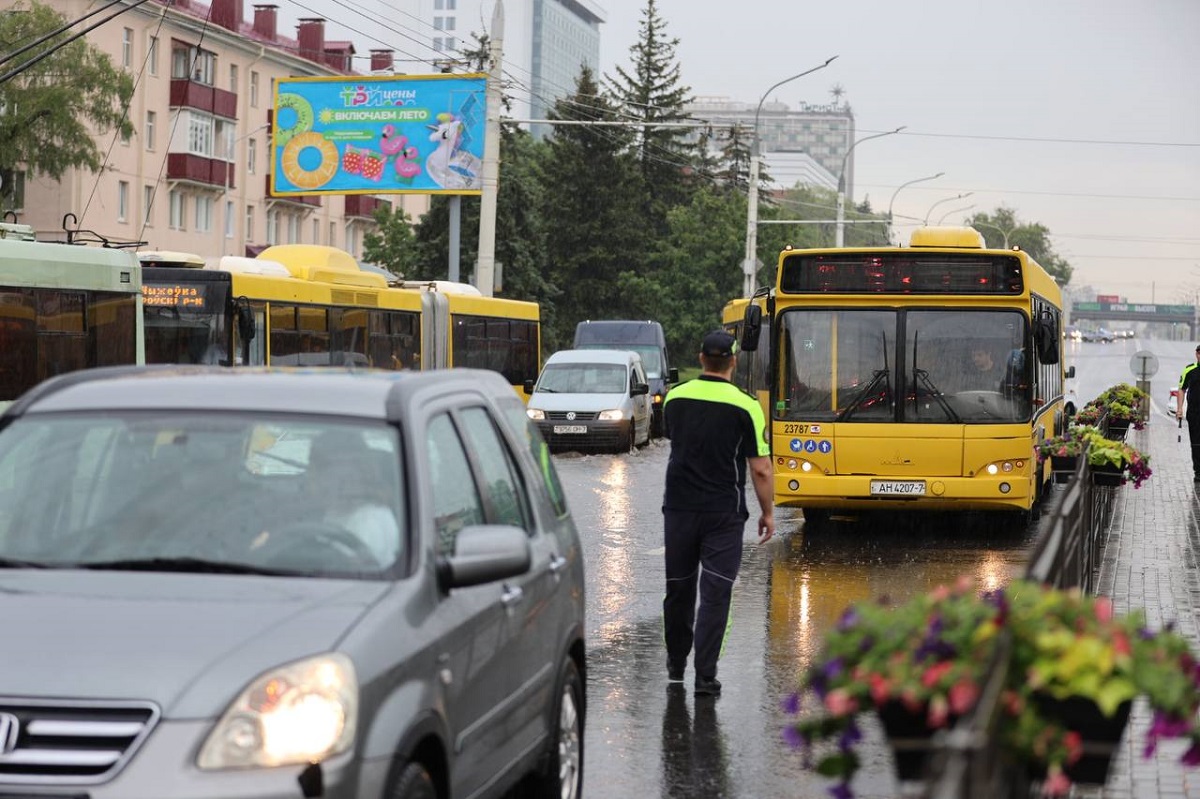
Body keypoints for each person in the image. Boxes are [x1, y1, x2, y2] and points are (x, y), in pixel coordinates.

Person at [661, 329, 774, 697]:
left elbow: (674, 440)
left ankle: (676, 663)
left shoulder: (675, 399)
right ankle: (704, 676)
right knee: (715, 591)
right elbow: (760, 468)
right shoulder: (746, 406)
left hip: (678, 509)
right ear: (734, 361)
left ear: (700, 359)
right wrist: (767, 512)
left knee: (678, 588)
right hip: (723, 514)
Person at [1179, 345, 1200, 481]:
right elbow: (1182, 389)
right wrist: (1180, 408)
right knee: (1196, 442)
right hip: (1194, 412)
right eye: (1199, 353)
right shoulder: (1189, 369)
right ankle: (1198, 471)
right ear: (1197, 354)